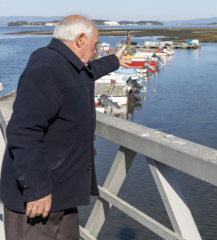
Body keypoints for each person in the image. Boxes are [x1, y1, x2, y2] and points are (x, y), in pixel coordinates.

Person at [0, 15, 131, 239]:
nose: (95, 51)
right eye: (95, 46)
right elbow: (23, 131)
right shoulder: (48, 67)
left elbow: (87, 73)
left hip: (62, 192)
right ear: (80, 39)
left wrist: (114, 61)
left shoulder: (65, 63)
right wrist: (37, 188)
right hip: (39, 199)